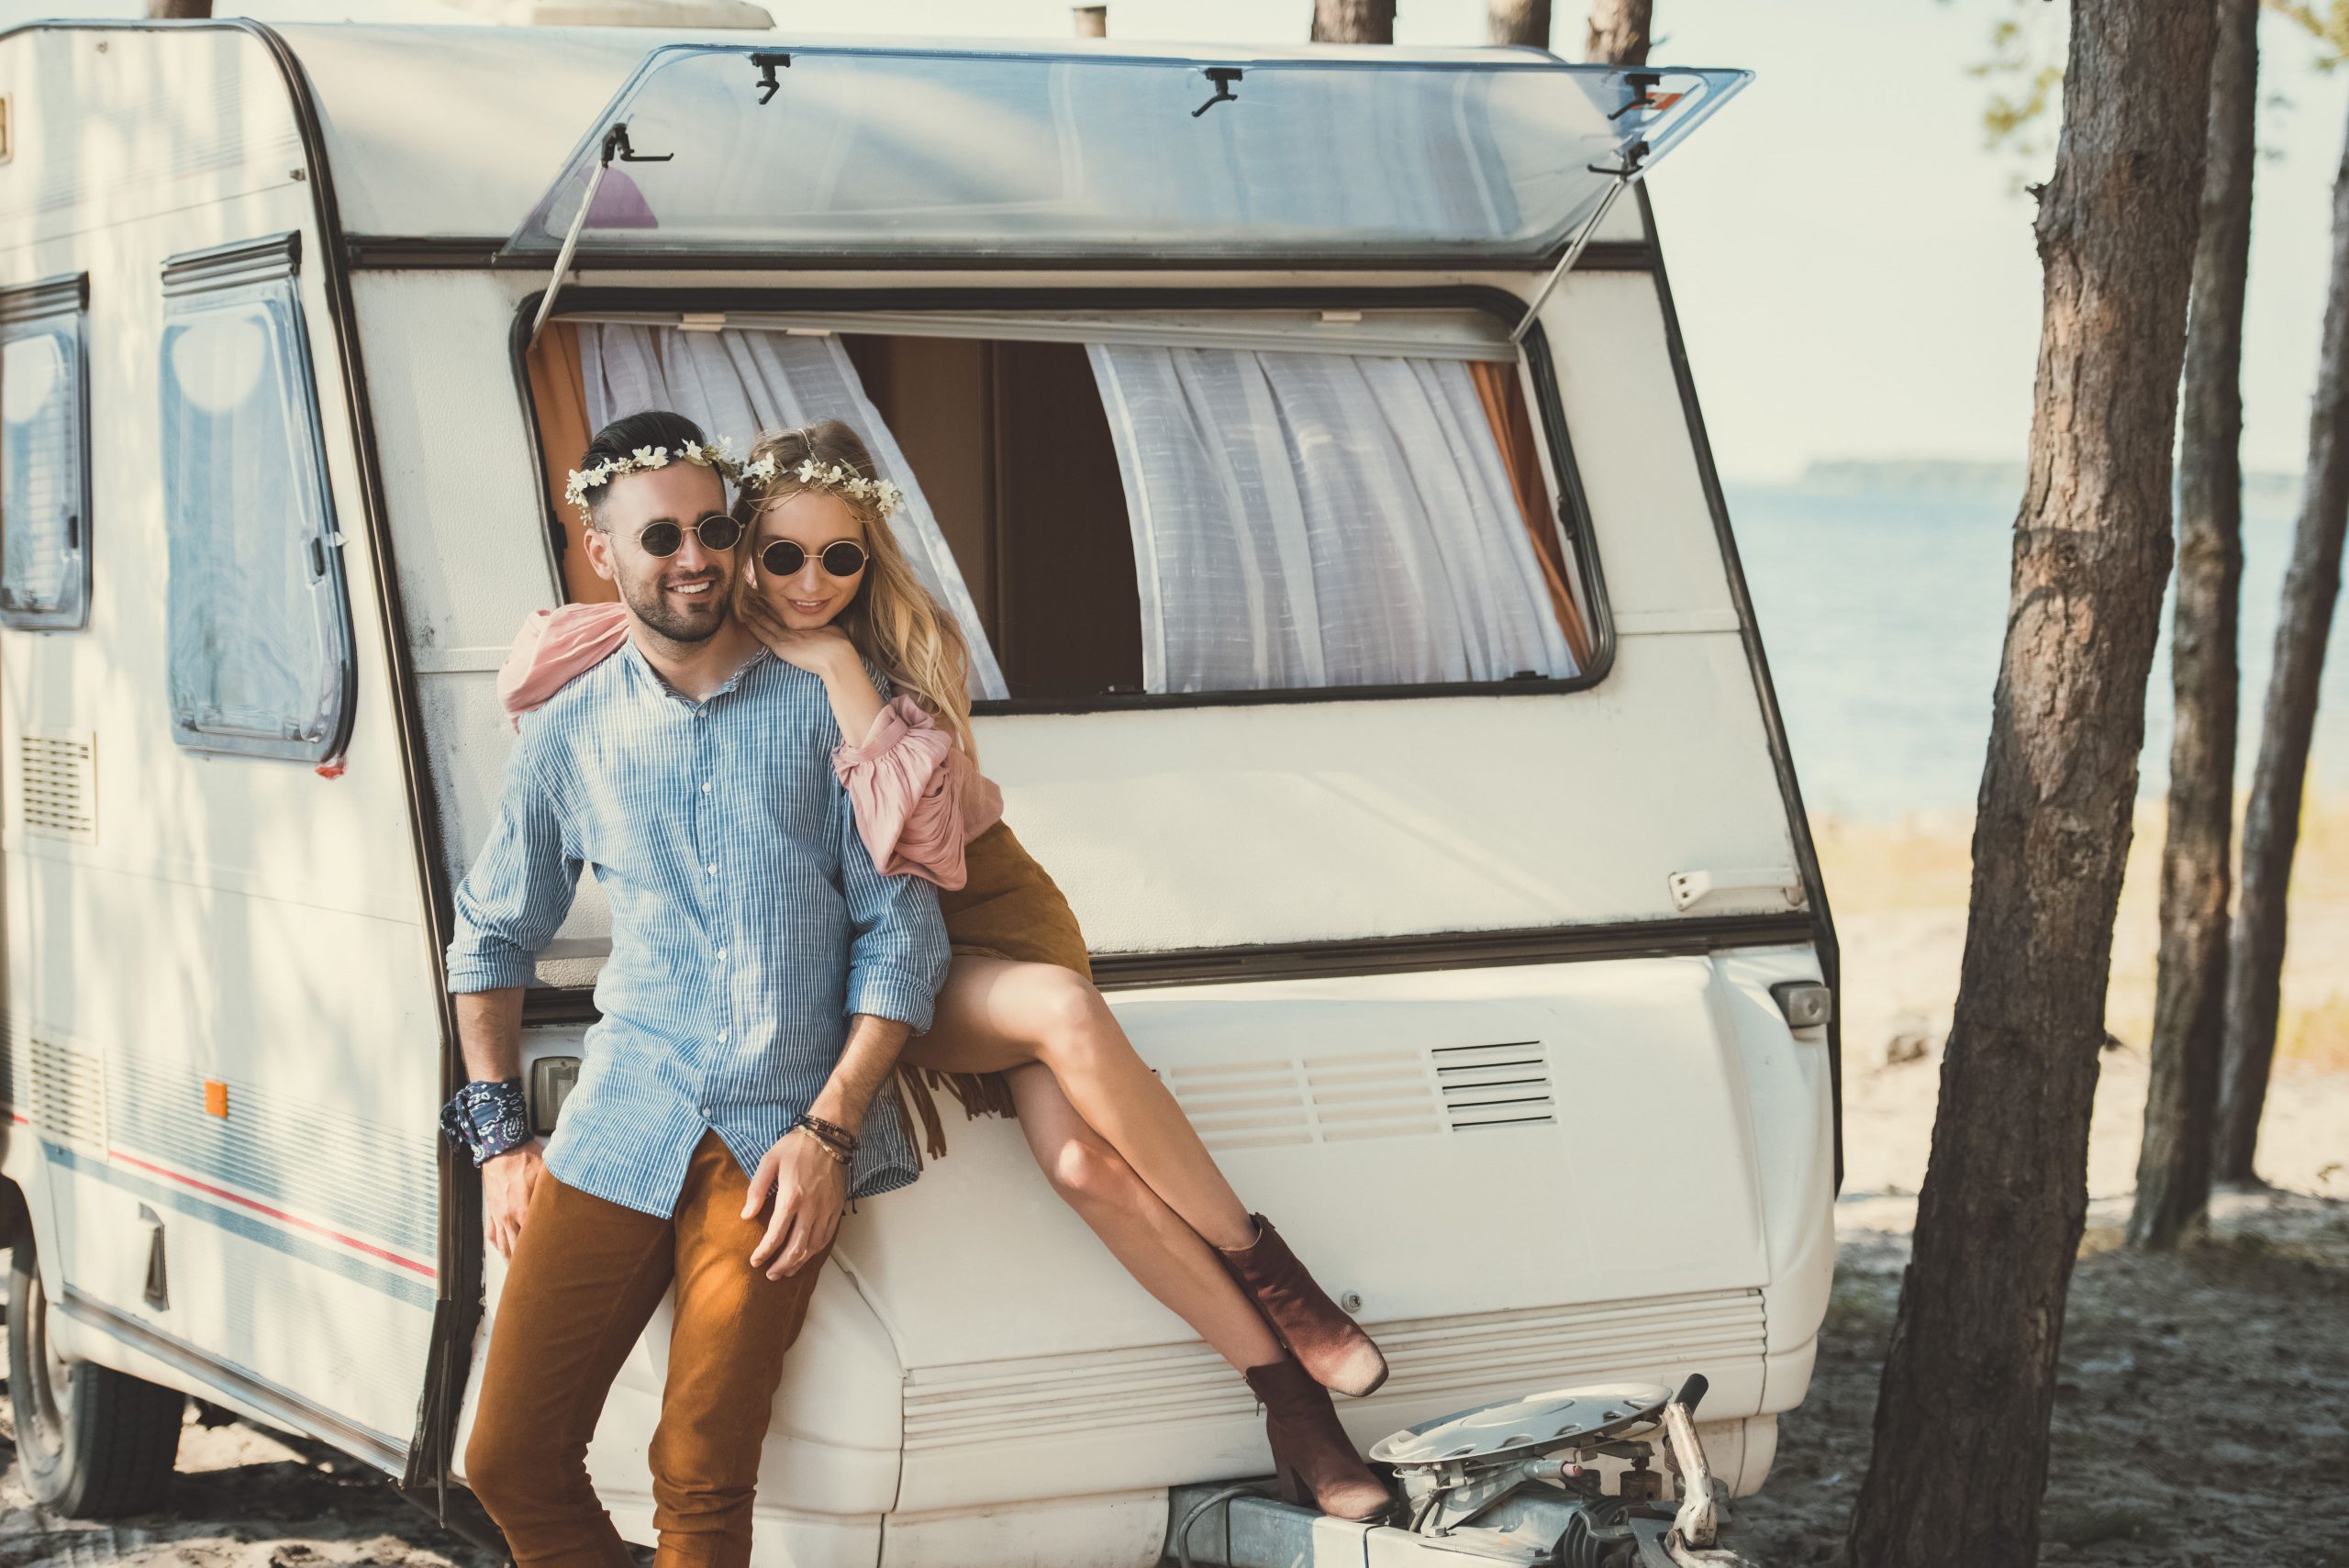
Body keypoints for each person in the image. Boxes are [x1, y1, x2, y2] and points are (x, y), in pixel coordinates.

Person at [499, 417, 1391, 1521]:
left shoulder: (873, 670)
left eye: (841, 557)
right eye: (779, 554)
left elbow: (912, 854)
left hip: (984, 924)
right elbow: (549, 656)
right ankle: (1288, 1368)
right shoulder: (687, 627)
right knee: (1083, 1161)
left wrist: (831, 665)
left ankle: (1281, 1323)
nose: (810, 580)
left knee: (1081, 1147)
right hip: (890, 963)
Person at [442, 409, 952, 1568]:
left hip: (778, 1136)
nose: (695, 557)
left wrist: (831, 1126)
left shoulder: (835, 702)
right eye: (660, 534)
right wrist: (497, 1138)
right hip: (622, 1116)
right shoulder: (569, 729)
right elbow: (489, 934)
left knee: (699, 1475)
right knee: (507, 1457)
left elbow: (901, 931)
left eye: (716, 529)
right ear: (601, 552)